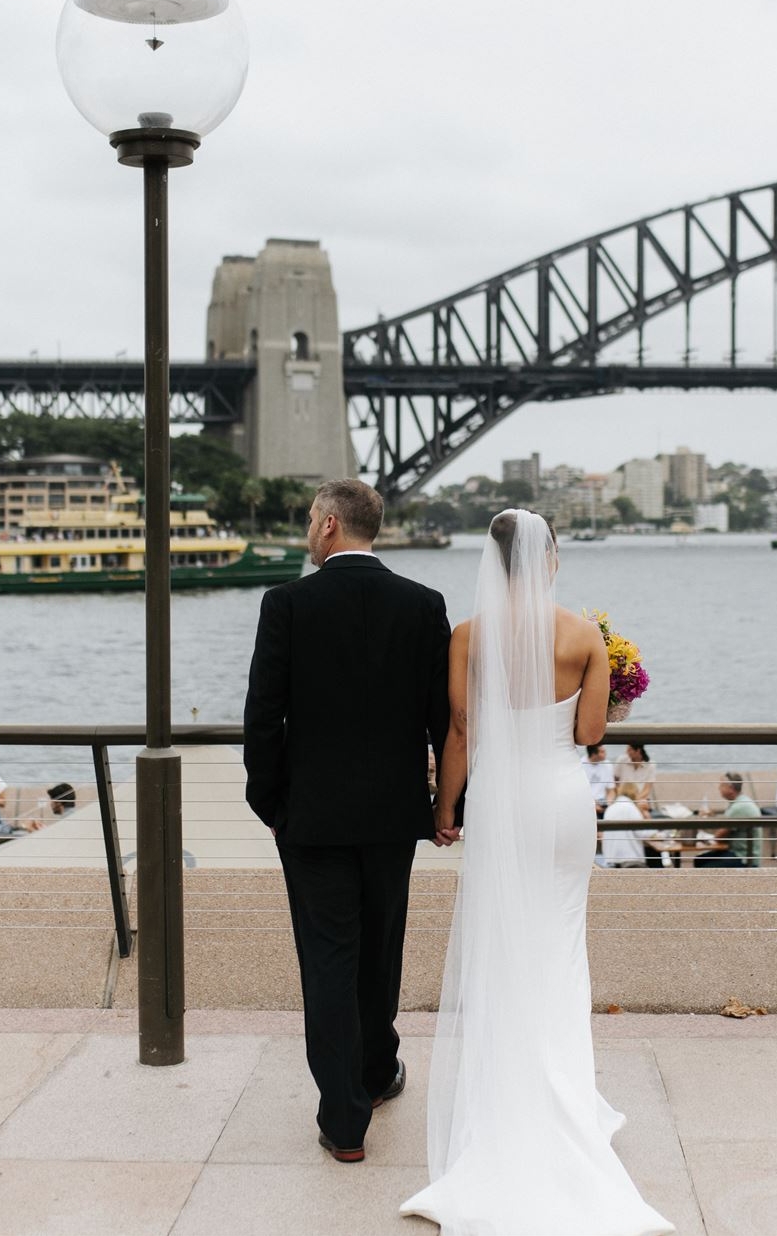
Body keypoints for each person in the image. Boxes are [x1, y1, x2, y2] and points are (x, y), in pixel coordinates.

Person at [401, 509, 673, 1235]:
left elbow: (461, 731)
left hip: (499, 796)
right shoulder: (584, 636)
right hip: (558, 802)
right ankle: (566, 1094)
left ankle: (508, 1099)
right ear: (550, 558)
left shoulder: (468, 635)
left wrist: (445, 807)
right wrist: (609, 687)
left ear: (495, 562)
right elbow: (589, 737)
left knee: (502, 945)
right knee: (561, 946)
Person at [243, 478, 450, 1165]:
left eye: (309, 518)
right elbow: (444, 721)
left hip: (313, 818)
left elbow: (262, 715)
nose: (307, 528)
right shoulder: (424, 606)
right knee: (381, 947)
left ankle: (344, 1118)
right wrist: (446, 805)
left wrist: (271, 803)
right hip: (394, 816)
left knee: (328, 957)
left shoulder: (289, 603)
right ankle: (375, 1069)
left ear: (330, 525)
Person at [694, 774, 762, 867]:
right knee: (700, 860)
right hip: (742, 853)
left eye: (721, 785)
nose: (719, 788)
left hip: (743, 857)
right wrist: (713, 816)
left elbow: (719, 836)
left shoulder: (739, 807)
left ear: (730, 788)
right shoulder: (741, 802)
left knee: (706, 867)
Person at [601, 781, 654, 867]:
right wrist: (647, 815)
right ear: (635, 792)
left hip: (611, 858)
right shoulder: (631, 808)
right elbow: (643, 833)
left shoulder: (611, 808)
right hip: (630, 859)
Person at [614, 742, 657, 808]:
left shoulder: (651, 765)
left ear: (638, 751)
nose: (627, 752)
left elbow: (647, 789)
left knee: (643, 807)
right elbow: (615, 781)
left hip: (641, 798)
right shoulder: (622, 760)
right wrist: (621, 796)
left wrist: (635, 800)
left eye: (629, 750)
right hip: (622, 797)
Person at [583, 742, 615, 814]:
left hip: (603, 803)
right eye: (602, 752)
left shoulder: (608, 765)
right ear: (594, 754)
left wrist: (608, 805)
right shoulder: (581, 765)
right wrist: (593, 805)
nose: (605, 753)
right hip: (586, 804)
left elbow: (611, 791)